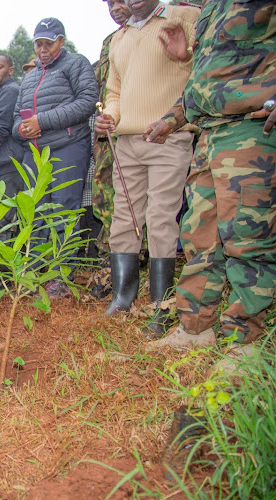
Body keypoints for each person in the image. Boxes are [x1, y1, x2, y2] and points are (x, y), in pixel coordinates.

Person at [144, 0, 275, 360]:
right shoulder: (211, 9)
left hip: (252, 129)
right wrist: (170, 120)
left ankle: (245, 345)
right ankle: (194, 329)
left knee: (248, 238)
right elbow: (205, 80)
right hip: (210, 135)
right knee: (199, 236)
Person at [95, 1, 199, 334]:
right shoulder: (118, 39)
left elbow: (209, 72)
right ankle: (122, 298)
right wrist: (111, 114)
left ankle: (161, 306)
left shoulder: (183, 17)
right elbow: (114, 90)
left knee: (159, 218)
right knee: (123, 218)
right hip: (126, 142)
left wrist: (187, 57)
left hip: (169, 138)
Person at [12, 17, 99, 299]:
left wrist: (43, 121)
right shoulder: (30, 76)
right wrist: (22, 128)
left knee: (64, 210)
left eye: (48, 42)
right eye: (38, 43)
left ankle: (61, 277)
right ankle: (35, 275)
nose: (42, 48)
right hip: (35, 152)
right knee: (34, 214)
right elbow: (16, 118)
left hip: (68, 146)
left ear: (61, 41)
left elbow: (87, 101)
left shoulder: (76, 64)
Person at [88, 0, 132, 299]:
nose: (115, 7)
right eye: (110, 3)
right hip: (107, 137)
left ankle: (131, 268)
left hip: (137, 133)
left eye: (121, 1)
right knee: (106, 199)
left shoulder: (157, 32)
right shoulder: (110, 42)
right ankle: (110, 267)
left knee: (134, 203)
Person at [0, 52, 24, 293]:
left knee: (1, 223)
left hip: (7, 166)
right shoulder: (2, 92)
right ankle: (0, 279)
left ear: (10, 70)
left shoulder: (10, 91)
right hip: (6, 165)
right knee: (2, 222)